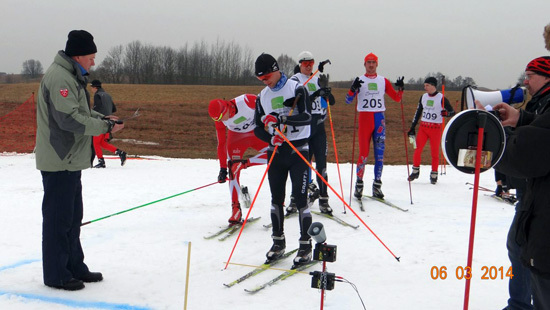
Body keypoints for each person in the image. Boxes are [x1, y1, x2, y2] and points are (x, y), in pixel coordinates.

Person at [35, 30, 124, 291]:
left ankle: (74, 266)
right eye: (91, 57)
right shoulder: (60, 77)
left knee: (73, 218)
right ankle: (56, 274)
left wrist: (103, 120)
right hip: (59, 159)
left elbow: (80, 112)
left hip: (71, 161)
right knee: (58, 221)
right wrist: (105, 129)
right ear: (78, 55)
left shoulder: (71, 76)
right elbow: (69, 120)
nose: (93, 62)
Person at [492, 56, 550, 309]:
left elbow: (533, 149)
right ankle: (518, 303)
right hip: (533, 197)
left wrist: (492, 142)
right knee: (519, 248)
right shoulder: (541, 100)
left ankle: (518, 305)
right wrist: (521, 118)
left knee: (527, 252)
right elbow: (541, 127)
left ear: (547, 77)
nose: (525, 82)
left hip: (541, 202)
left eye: (531, 75)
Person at [253, 53, 313, 268]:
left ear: (277, 69)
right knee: (276, 198)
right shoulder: (262, 96)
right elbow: (256, 127)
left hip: (298, 150)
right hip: (276, 152)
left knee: (300, 197)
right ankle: (278, 243)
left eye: (267, 76)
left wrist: (283, 118)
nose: (265, 81)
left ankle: (306, 245)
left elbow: (307, 117)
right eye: (261, 79)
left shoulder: (296, 88)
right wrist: (270, 136)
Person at [345, 52, 404, 199]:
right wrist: (353, 89)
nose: (371, 65)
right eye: (368, 62)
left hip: (379, 119)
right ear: (364, 64)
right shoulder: (359, 80)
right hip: (365, 118)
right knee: (363, 154)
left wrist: (401, 89)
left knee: (379, 155)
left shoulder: (383, 81)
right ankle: (359, 185)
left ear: (377, 64)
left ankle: (377, 186)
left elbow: (396, 99)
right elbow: (347, 100)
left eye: (373, 62)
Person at [208, 94, 268, 224]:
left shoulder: (246, 101)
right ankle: (235, 209)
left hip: (256, 134)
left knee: (277, 154)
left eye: (220, 117)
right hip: (236, 139)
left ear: (225, 109)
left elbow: (266, 105)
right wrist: (223, 168)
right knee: (233, 169)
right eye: (216, 119)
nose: (220, 121)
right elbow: (221, 143)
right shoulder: (219, 119)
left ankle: (246, 163)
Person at [289, 51, 335, 215]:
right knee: (300, 166)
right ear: (300, 64)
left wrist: (326, 92)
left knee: (322, 165)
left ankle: (324, 199)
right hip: (304, 129)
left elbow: (331, 102)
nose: (309, 66)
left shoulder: (317, 79)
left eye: (311, 63)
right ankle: (295, 199)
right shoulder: (294, 80)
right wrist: (316, 93)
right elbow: (299, 101)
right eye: (305, 63)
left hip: (319, 128)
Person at [407, 77, 455, 184]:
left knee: (434, 153)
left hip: (436, 128)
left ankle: (434, 174)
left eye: (427, 85)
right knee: (417, 149)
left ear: (433, 85)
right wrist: (412, 127)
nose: (425, 88)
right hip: (424, 128)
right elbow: (418, 112)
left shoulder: (441, 98)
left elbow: (452, 112)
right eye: (424, 85)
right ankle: (415, 171)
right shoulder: (423, 97)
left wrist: (446, 114)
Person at [90, 79, 127, 168]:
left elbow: (96, 108)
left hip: (100, 122)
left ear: (95, 87)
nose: (91, 89)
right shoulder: (108, 95)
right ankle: (121, 153)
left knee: (95, 142)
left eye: (91, 87)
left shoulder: (97, 95)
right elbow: (114, 109)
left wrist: (92, 114)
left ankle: (101, 162)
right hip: (109, 122)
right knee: (102, 143)